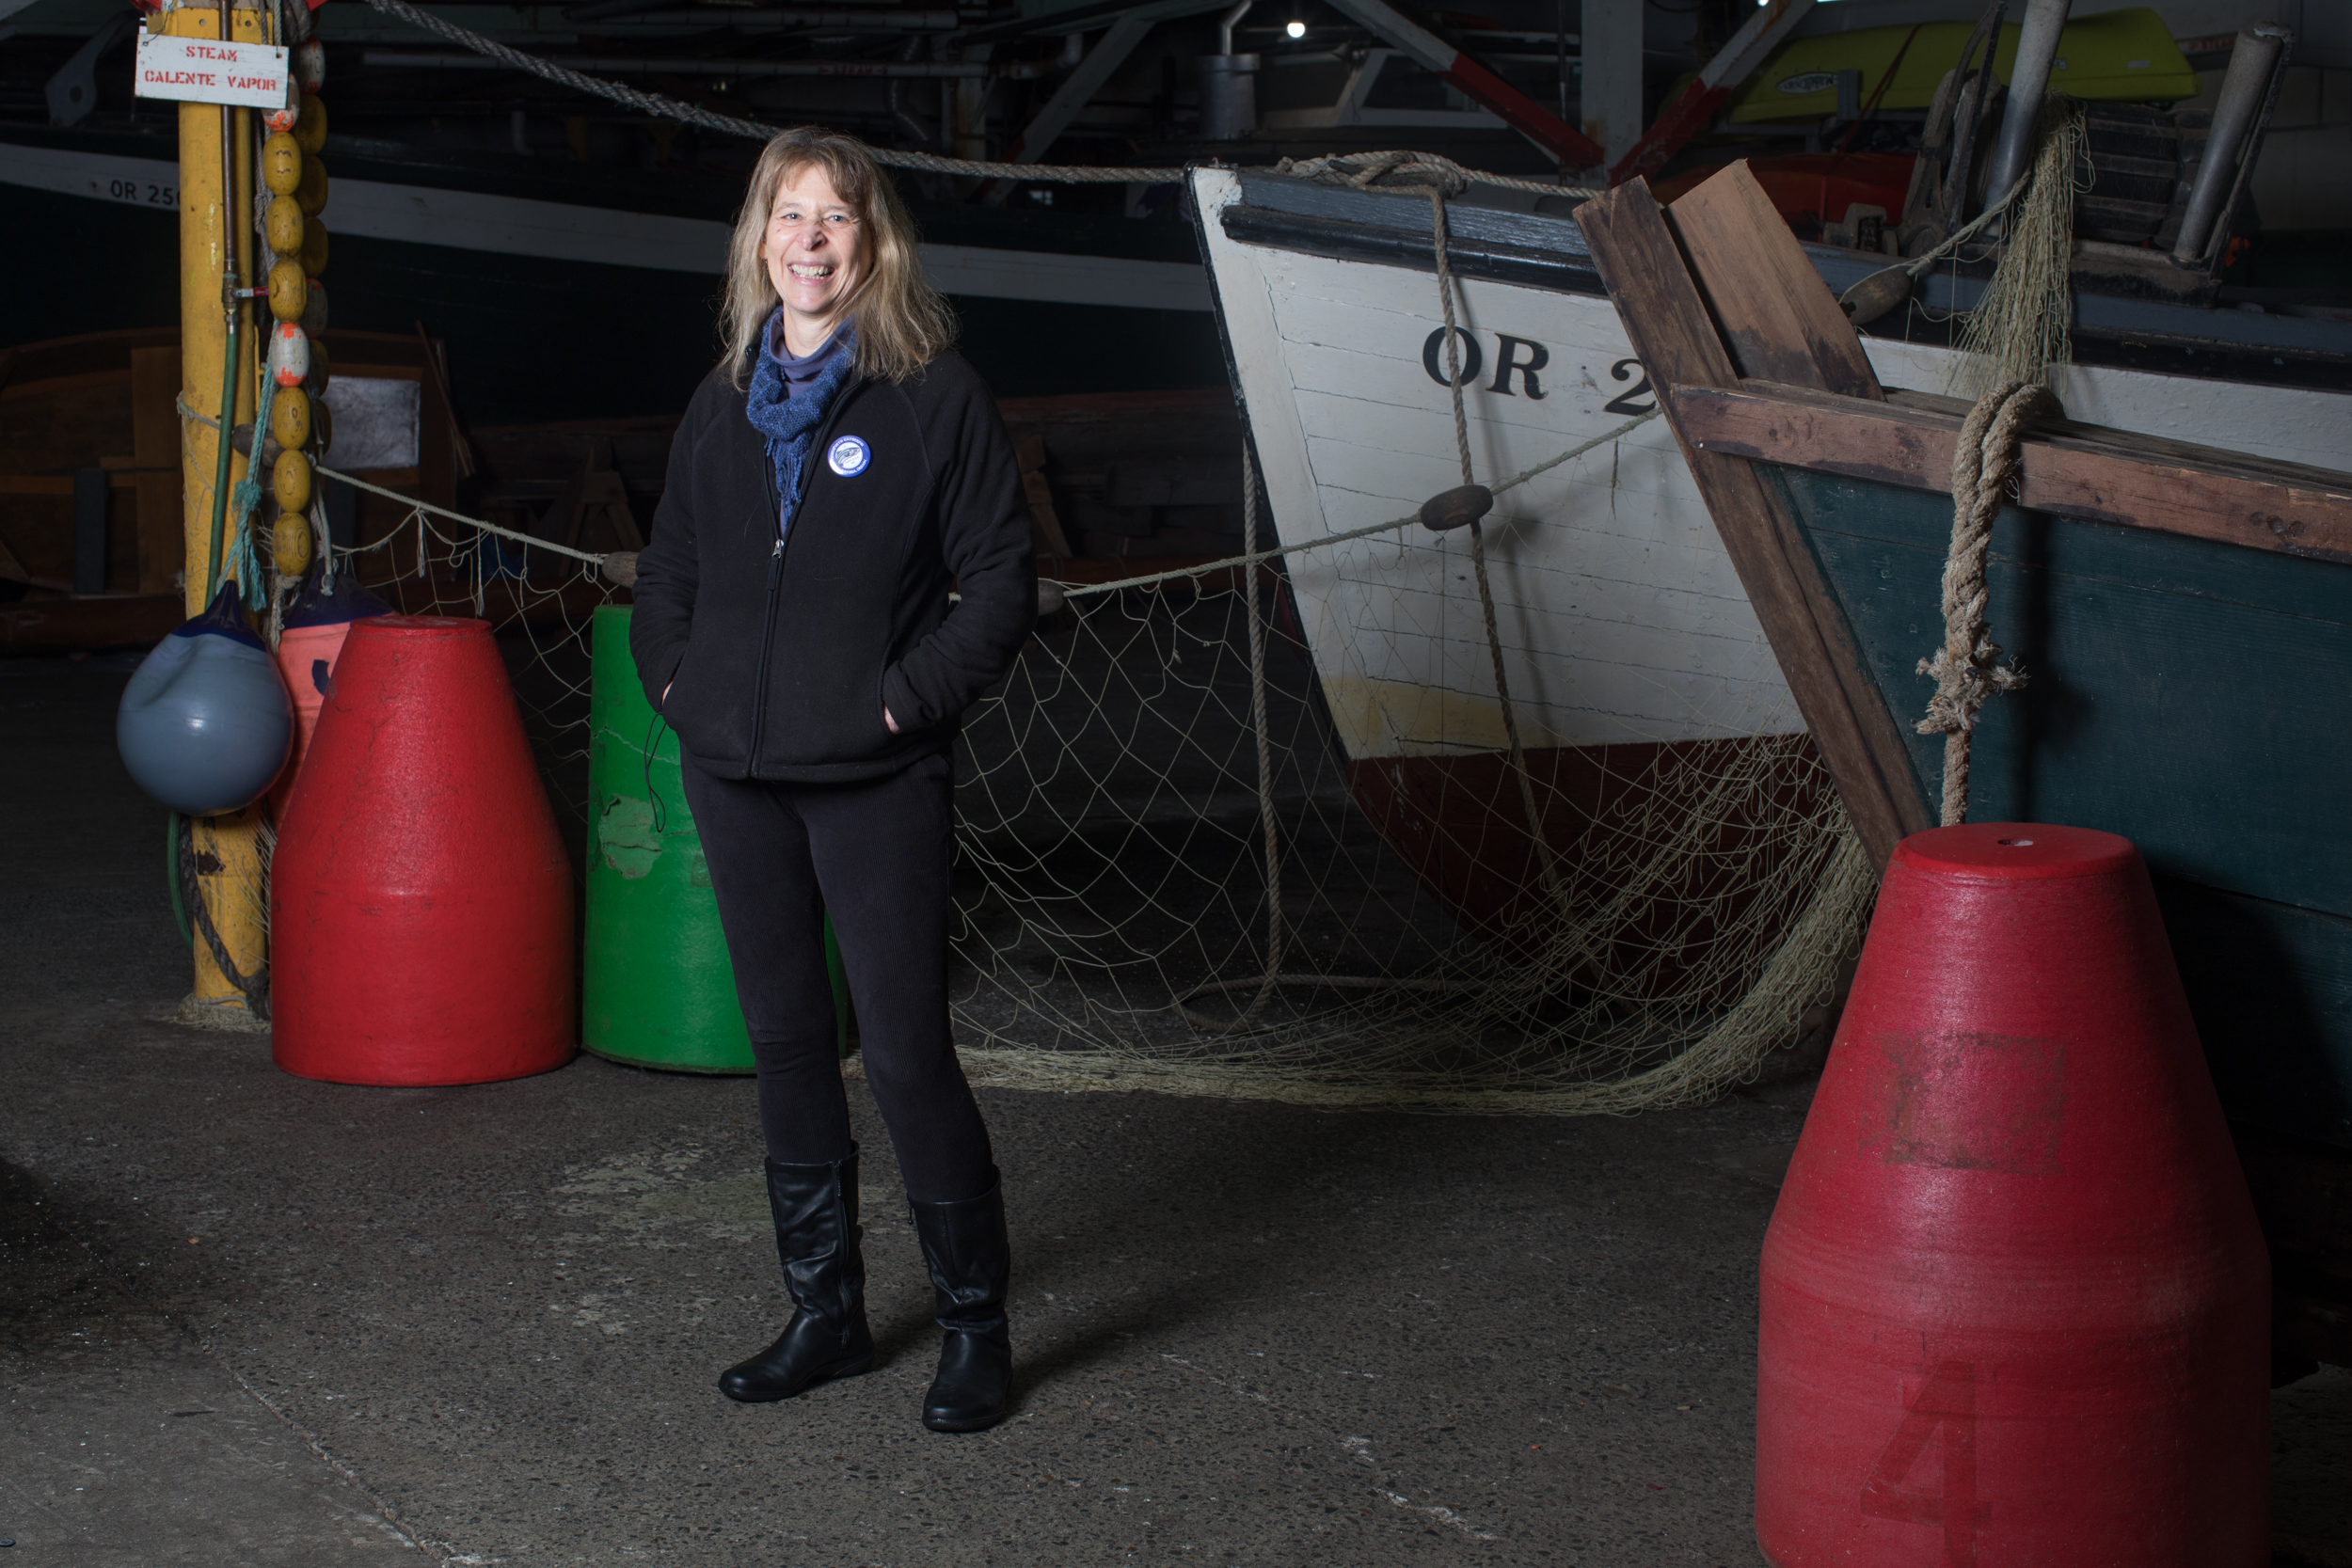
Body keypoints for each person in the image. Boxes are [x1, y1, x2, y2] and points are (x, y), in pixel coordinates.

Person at [629, 126, 1036, 1433]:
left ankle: (976, 1330)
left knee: (908, 1052)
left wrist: (895, 702)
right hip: (735, 773)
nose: (810, 239)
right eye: (787, 215)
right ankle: (829, 1315)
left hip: (874, 778)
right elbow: (670, 570)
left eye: (835, 218)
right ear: (760, 241)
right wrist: (677, 687)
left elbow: (1002, 586)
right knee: (789, 1046)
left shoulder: (932, 394)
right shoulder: (721, 395)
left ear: (874, 242)